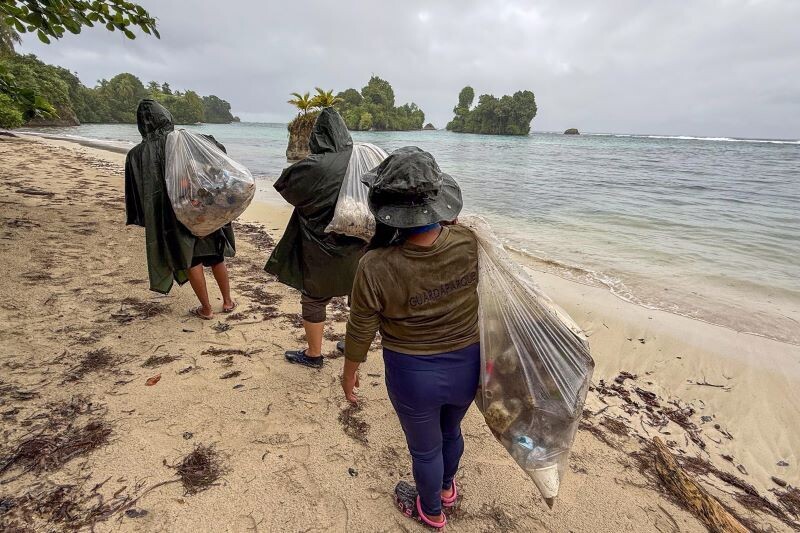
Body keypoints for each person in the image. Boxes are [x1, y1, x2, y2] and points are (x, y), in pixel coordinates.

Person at [341, 147, 479, 530]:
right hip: (469, 362)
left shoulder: (375, 264)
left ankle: (431, 511)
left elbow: (361, 327)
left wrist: (349, 371)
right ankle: (447, 489)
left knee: (425, 448)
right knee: (452, 431)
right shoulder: (469, 242)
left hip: (412, 373)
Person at [265, 107, 364, 368]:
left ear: (317, 137)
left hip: (320, 246)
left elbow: (286, 187)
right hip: (359, 245)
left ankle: (314, 354)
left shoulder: (314, 166)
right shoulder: (361, 160)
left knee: (314, 297)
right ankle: (353, 345)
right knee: (360, 298)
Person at [125, 99, 236, 319]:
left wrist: (147, 220)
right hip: (199, 208)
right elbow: (218, 151)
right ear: (166, 116)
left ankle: (206, 309)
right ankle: (227, 301)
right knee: (215, 256)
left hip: (170, 218)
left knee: (191, 260)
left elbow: (137, 192)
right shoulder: (187, 140)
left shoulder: (137, 154)